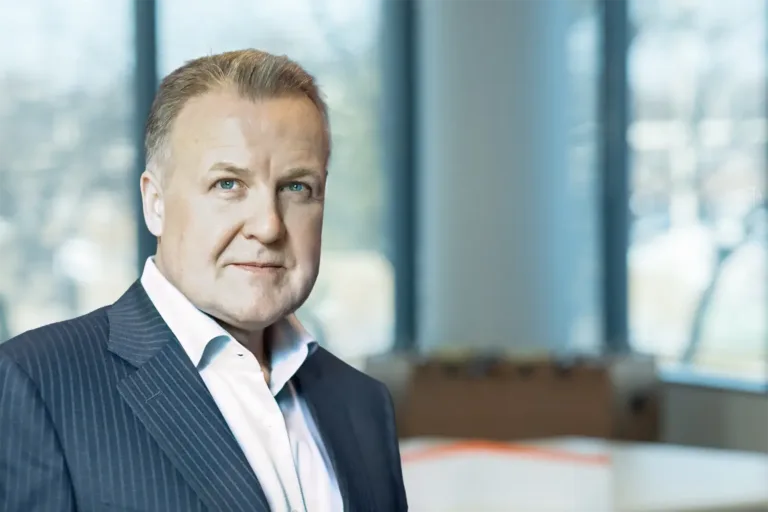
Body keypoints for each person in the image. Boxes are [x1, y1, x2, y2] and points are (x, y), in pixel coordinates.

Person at [0, 49, 407, 512]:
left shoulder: (362, 404)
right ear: (155, 203)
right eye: (228, 184)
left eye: (297, 187)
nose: (269, 226)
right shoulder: (39, 386)